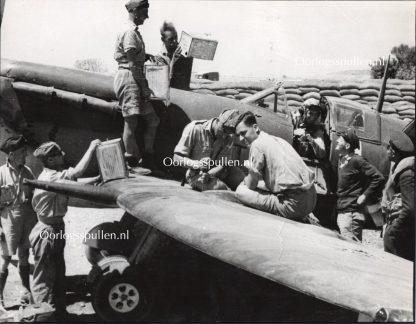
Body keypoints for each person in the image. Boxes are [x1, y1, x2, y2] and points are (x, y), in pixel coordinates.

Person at [29, 139, 101, 318]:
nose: (64, 155)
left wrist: (98, 179)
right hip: (47, 232)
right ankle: (40, 317)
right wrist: (92, 147)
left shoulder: (54, 176)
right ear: (51, 160)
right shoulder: (52, 178)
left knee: (58, 273)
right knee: (44, 278)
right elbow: (77, 173)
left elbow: (74, 182)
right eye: (60, 153)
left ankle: (58, 313)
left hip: (55, 229)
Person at [234, 112, 317, 220]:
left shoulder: (256, 144)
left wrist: (246, 179)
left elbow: (251, 185)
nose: (241, 139)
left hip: (293, 205)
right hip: (311, 199)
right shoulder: (277, 140)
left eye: (243, 133)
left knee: (241, 190)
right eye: (238, 135)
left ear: (255, 127)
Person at [114, 0, 161, 175]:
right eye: (144, 12)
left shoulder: (133, 32)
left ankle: (148, 157)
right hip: (130, 78)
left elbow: (134, 58)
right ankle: (130, 163)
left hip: (134, 76)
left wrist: (147, 56)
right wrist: (145, 87)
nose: (147, 16)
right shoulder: (129, 32)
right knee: (131, 121)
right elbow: (132, 64)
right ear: (134, 11)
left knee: (152, 120)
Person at [0, 135, 36, 309]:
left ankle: (25, 292)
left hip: (27, 218)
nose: (26, 155)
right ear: (12, 154)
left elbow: (35, 195)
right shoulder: (1, 173)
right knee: (5, 258)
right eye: (23, 152)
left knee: (24, 255)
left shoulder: (27, 171)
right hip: (8, 220)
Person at [173, 109, 244, 192]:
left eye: (229, 132)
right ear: (217, 121)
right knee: (220, 189)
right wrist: (197, 164)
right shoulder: (195, 128)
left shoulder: (229, 136)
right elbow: (177, 158)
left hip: (216, 172)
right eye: (223, 130)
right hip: (196, 174)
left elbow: (222, 164)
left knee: (243, 182)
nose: (225, 135)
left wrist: (209, 174)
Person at [335, 129, 384, 242]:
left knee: (352, 250)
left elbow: (378, 177)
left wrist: (365, 195)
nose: (337, 141)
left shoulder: (357, 160)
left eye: (340, 140)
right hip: (343, 212)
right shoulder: (341, 160)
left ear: (347, 146)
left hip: (352, 214)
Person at [382, 131, 414, 261]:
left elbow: (410, 209)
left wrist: (393, 232)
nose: (385, 150)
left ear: (393, 151)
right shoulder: (398, 169)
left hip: (401, 234)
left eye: (387, 148)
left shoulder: (406, 174)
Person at [155, 21, 193, 90]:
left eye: (176, 37)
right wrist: (173, 61)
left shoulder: (182, 51)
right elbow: (165, 82)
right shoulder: (159, 58)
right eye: (171, 39)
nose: (175, 41)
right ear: (163, 40)